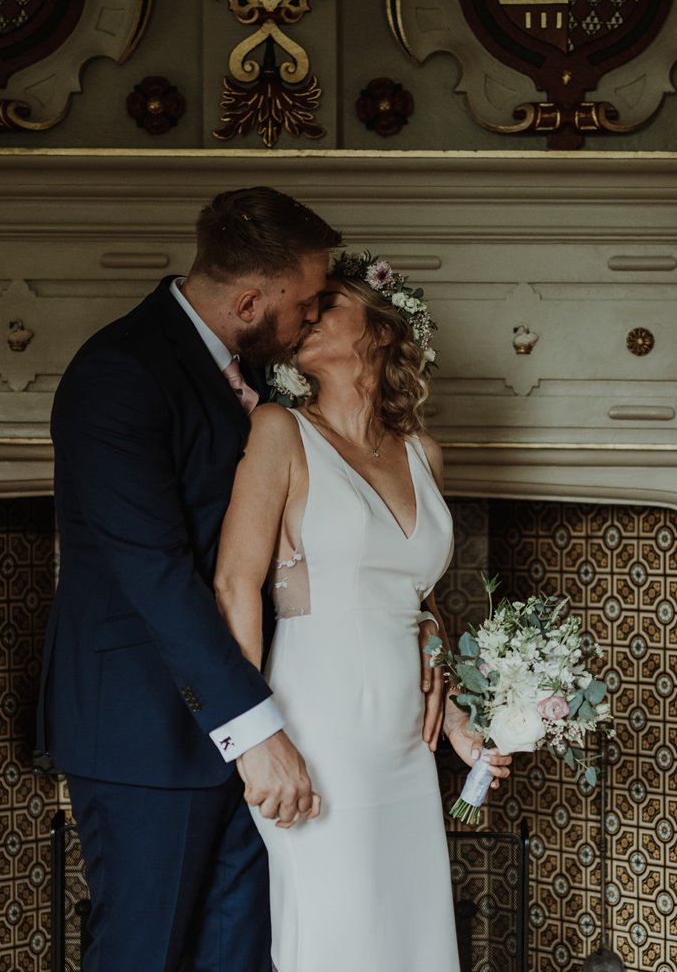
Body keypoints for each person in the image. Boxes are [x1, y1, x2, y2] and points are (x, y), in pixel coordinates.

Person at [36, 186, 345, 972]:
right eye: (305, 304)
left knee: (237, 958)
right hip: (145, 734)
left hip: (246, 726)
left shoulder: (250, 379)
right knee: (146, 956)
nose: (313, 318)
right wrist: (257, 731)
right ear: (249, 299)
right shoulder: (119, 373)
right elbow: (154, 572)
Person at [214, 251, 512, 972]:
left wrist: (458, 715)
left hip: (406, 745)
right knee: (334, 941)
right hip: (319, 733)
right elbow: (233, 584)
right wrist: (251, 741)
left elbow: (421, 599)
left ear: (381, 331)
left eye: (328, 305)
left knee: (412, 943)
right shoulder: (281, 432)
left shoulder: (423, 455)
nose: (305, 313)